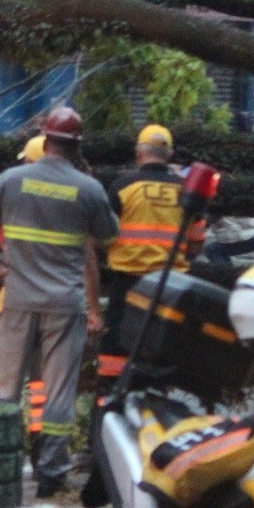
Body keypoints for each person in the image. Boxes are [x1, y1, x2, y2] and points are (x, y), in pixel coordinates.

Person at [0, 106, 118, 498]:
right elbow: (108, 234)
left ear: (44, 138)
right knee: (58, 391)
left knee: (4, 385)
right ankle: (51, 474)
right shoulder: (88, 189)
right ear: (76, 146)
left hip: (18, 297)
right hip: (65, 302)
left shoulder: (13, 180)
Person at [98, 124, 200, 379]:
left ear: (138, 153)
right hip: (171, 284)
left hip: (128, 282)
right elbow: (197, 242)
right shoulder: (186, 190)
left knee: (116, 346)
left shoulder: (123, 187)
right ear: (169, 155)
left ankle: (109, 397)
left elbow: (103, 236)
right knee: (160, 345)